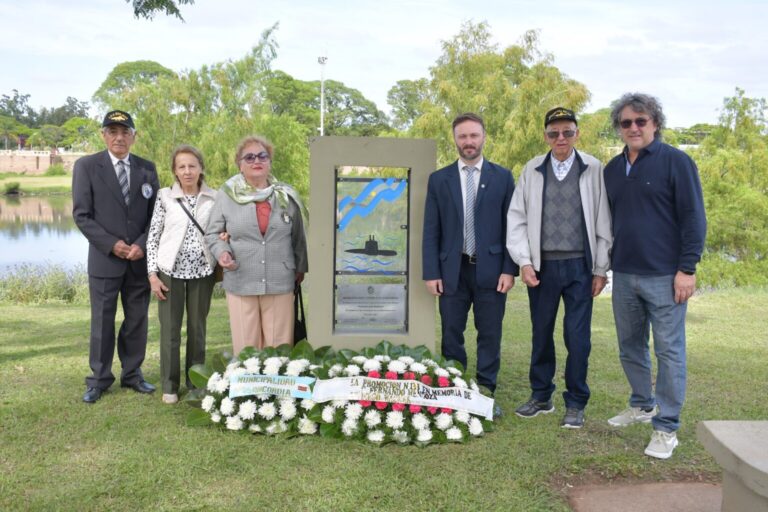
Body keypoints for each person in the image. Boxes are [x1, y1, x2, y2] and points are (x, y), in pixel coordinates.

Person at [604, 93, 706, 459]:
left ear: (655, 123)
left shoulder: (676, 162)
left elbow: (694, 218)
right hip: (624, 275)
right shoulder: (612, 170)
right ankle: (642, 404)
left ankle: (666, 427)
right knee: (630, 347)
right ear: (619, 127)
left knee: (669, 351)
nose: (633, 127)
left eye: (640, 121)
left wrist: (687, 269)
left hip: (666, 277)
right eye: (626, 122)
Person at [506, 107, 612, 428]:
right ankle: (541, 396)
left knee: (577, 338)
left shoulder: (593, 168)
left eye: (567, 132)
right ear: (546, 137)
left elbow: (604, 220)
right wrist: (524, 262)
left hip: (581, 267)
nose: (561, 138)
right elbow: (517, 218)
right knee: (541, 334)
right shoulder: (533, 169)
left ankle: (576, 401)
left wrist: (600, 268)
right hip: (543, 268)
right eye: (554, 133)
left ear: (577, 133)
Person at [422, 112, 517, 413]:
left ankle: (486, 391)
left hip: (491, 270)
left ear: (483, 136)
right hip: (453, 269)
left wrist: (509, 269)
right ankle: (455, 389)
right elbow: (431, 229)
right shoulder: (439, 180)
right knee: (452, 331)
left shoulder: (502, 177)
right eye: (462, 136)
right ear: (455, 139)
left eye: (473, 135)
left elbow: (511, 228)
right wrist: (431, 272)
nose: (468, 142)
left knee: (490, 333)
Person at [72, 110, 159, 403]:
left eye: (125, 132)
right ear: (103, 135)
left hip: (138, 260)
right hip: (105, 260)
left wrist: (142, 244)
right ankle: (98, 379)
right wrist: (112, 245)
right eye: (112, 131)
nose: (119, 137)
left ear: (134, 136)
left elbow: (155, 216)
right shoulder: (86, 166)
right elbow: (82, 216)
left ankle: (133, 374)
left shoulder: (148, 169)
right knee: (102, 321)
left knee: (137, 320)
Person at [205, 135, 307, 355]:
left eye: (262, 156)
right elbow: (212, 233)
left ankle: (278, 388)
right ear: (240, 165)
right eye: (249, 157)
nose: (256, 161)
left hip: (280, 278)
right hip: (241, 278)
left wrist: (301, 268)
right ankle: (249, 389)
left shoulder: (286, 195)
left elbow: (299, 236)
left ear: (270, 162)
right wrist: (222, 253)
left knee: (279, 346)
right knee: (246, 348)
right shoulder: (226, 195)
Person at [146, 145, 217, 404]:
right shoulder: (165, 196)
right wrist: (152, 275)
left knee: (197, 329)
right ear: (175, 171)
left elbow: (221, 230)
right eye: (181, 167)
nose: (187, 171)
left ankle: (196, 382)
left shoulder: (214, 198)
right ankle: (170, 385)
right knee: (170, 330)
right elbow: (153, 237)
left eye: (192, 166)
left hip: (202, 272)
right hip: (169, 273)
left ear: (201, 168)